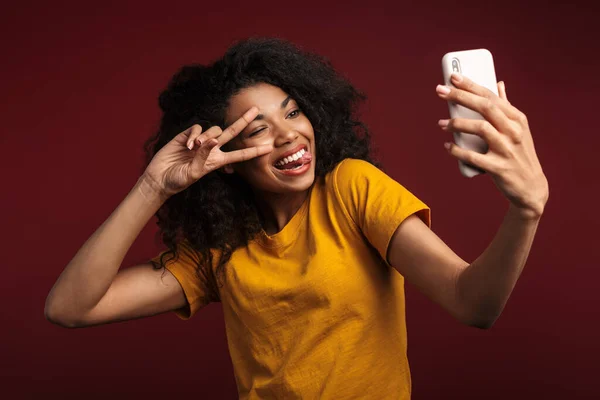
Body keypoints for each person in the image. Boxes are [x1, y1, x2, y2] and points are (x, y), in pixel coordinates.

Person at [45, 37, 549, 399]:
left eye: (292, 112)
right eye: (257, 130)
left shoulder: (352, 188)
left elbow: (472, 302)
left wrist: (524, 212)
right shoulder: (219, 247)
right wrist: (154, 185)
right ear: (225, 154)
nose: (288, 135)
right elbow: (70, 308)